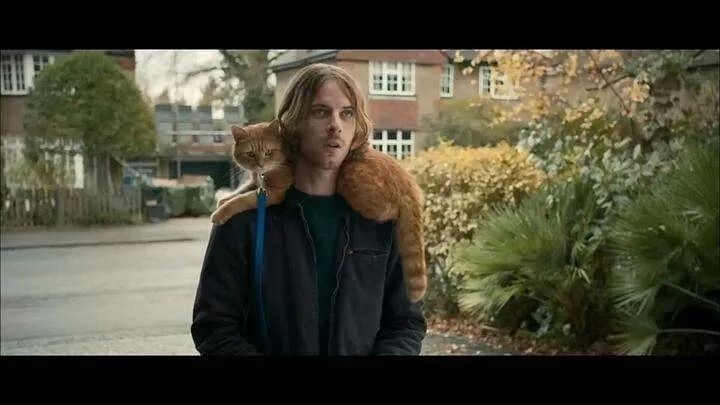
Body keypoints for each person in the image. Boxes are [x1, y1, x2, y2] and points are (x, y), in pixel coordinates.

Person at [191, 63, 427, 355]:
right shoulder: (243, 221)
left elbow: (405, 323)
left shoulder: (380, 218)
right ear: (293, 124)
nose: (335, 125)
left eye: (347, 113)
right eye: (320, 112)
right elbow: (213, 327)